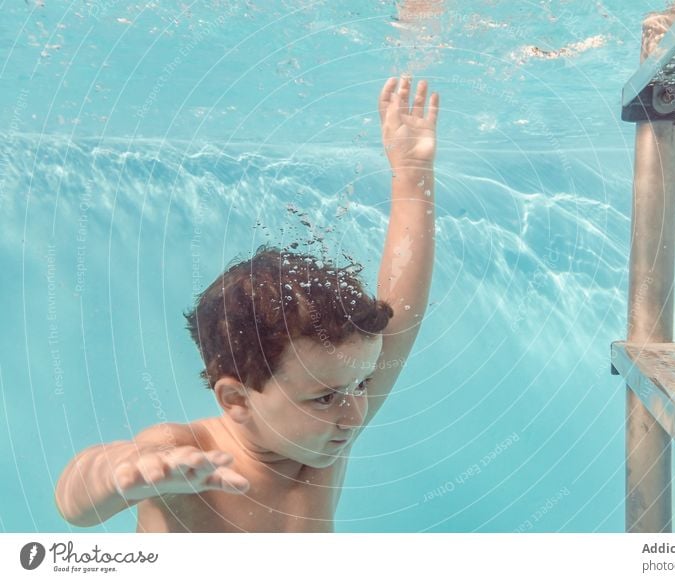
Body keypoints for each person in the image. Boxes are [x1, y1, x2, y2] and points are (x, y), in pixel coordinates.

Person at [54, 76, 439, 532]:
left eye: (362, 385)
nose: (357, 412)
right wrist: (121, 477)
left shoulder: (319, 439)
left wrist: (412, 176)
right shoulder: (184, 456)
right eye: (326, 397)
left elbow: (403, 315)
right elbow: (73, 502)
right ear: (236, 399)